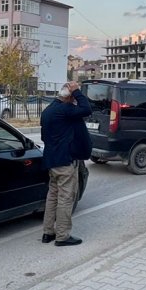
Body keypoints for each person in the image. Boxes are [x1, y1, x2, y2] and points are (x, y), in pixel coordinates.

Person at [39, 81, 92, 246]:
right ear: (69, 98)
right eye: (73, 99)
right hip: (64, 162)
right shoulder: (65, 109)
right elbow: (87, 109)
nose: (75, 102)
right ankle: (62, 236)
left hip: (51, 161)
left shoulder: (47, 111)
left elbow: (43, 137)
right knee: (65, 198)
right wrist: (77, 91)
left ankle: (48, 233)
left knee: (52, 197)